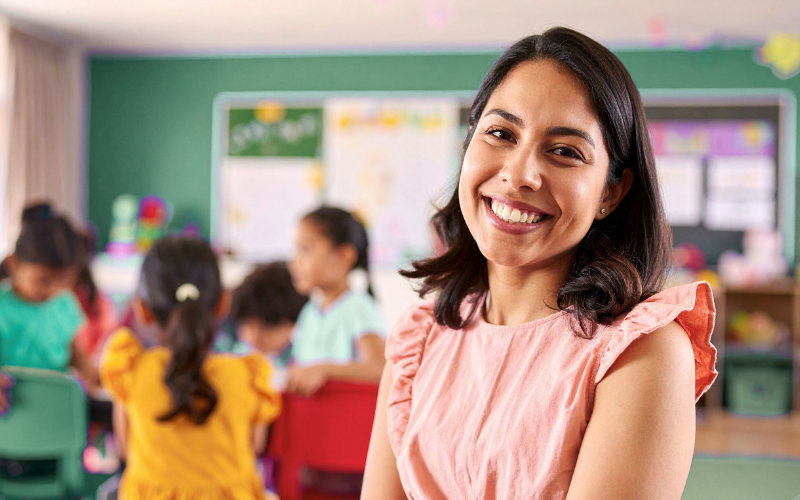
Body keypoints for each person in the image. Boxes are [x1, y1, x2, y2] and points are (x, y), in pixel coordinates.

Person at [362, 27, 717, 500]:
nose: (519, 174)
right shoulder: (419, 338)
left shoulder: (641, 353)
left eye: (566, 151)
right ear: (469, 143)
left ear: (611, 191)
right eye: (500, 133)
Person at [100, 236, 281, 499]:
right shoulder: (248, 374)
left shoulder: (131, 368)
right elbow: (255, 446)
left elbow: (126, 448)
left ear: (142, 309)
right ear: (223, 303)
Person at [286, 206, 387, 396]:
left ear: (343, 256)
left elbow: (380, 367)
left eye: (305, 250)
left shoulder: (359, 307)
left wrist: (324, 369)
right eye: (295, 250)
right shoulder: (309, 312)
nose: (294, 262)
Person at [0, 203, 96, 385]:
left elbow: (78, 359)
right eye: (43, 281)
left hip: (55, 408)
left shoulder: (65, 304)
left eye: (63, 281)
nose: (54, 290)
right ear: (14, 264)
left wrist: (94, 374)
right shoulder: (2, 308)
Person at [230, 261, 308, 385]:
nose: (255, 337)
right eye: (247, 325)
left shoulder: (306, 360)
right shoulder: (236, 359)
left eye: (266, 327)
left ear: (292, 324)